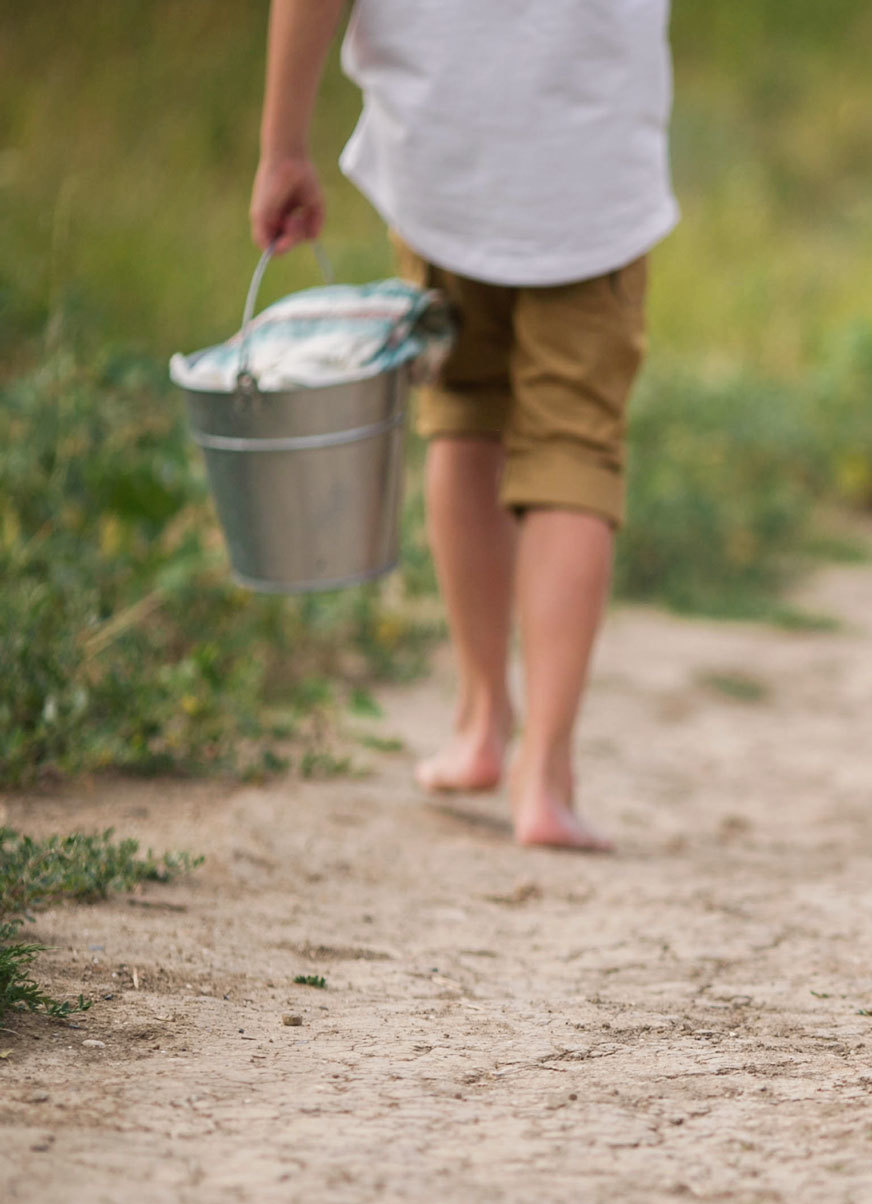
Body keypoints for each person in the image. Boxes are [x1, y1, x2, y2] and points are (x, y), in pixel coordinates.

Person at [251, 0, 679, 851]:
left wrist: (283, 147)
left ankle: (483, 715)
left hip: (441, 149)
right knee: (575, 452)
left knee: (462, 419)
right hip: (588, 163)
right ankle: (546, 773)